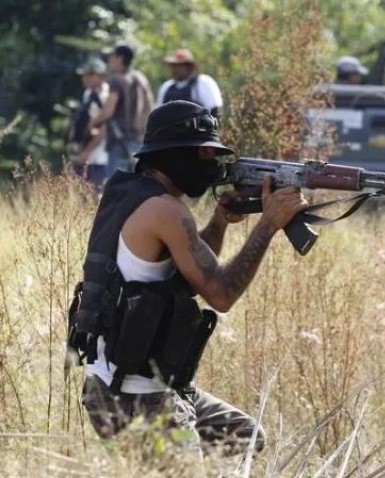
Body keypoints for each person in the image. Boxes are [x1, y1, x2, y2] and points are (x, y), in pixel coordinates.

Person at [71, 100, 308, 454]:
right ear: (173, 155)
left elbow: (185, 275)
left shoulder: (130, 195)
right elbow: (221, 294)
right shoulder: (166, 210)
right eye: (204, 154)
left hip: (130, 386)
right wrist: (269, 224)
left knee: (246, 438)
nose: (212, 164)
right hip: (136, 399)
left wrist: (218, 222)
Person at [90, 44, 155, 175]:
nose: (109, 61)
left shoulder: (116, 79)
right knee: (137, 182)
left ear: (119, 58)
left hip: (119, 141)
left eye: (111, 57)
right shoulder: (141, 79)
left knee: (116, 185)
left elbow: (108, 111)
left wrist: (93, 123)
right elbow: (149, 106)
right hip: (138, 140)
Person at [68, 58, 110, 191]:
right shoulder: (88, 94)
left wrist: (86, 153)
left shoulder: (105, 96)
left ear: (98, 76)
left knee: (95, 194)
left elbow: (104, 129)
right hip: (85, 153)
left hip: (100, 156)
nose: (84, 78)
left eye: (88, 75)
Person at [156, 48, 223, 117]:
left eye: (180, 65)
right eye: (174, 65)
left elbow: (215, 110)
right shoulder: (166, 87)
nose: (176, 69)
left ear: (189, 66)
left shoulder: (203, 82)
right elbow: (157, 113)